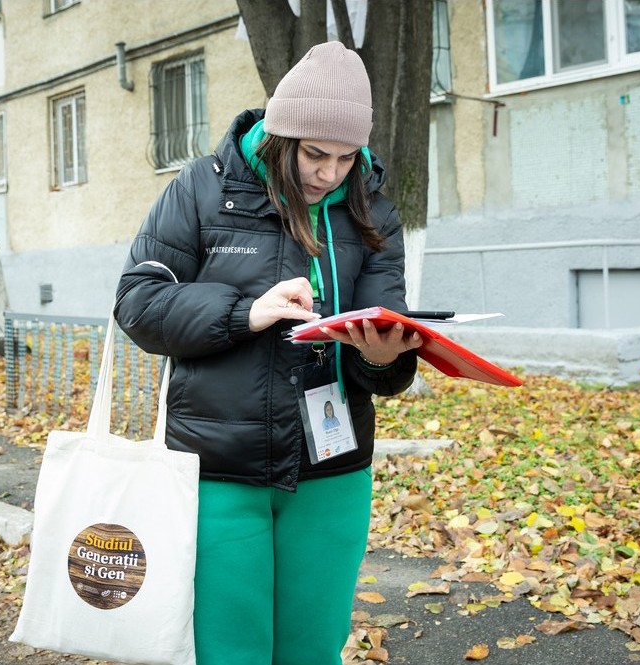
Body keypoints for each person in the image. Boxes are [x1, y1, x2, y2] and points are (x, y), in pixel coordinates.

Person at [113, 41, 422, 665]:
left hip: (331, 472)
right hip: (217, 470)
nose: (329, 174)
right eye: (314, 154)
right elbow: (138, 303)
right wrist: (244, 312)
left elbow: (381, 351)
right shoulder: (204, 187)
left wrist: (385, 356)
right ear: (280, 137)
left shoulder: (370, 208)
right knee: (231, 652)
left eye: (345, 157)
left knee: (313, 650)